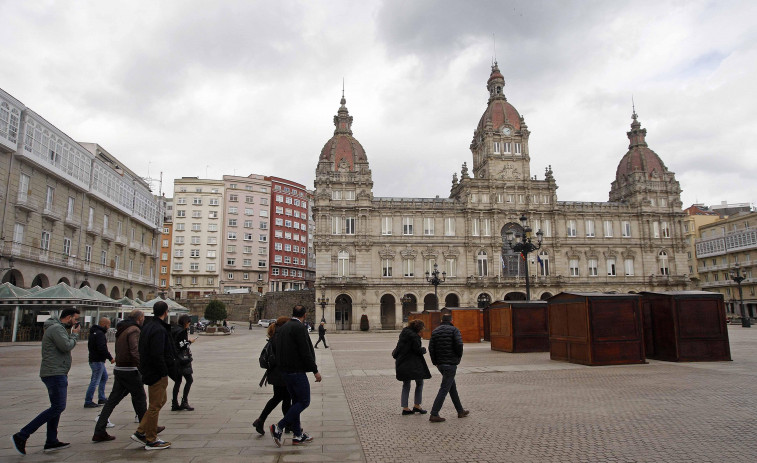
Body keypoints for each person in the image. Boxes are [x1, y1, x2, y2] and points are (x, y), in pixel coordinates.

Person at [12, 308, 81, 455]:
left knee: (56, 407)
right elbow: (66, 346)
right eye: (75, 319)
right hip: (54, 373)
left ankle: (51, 440)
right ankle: (22, 435)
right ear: (68, 318)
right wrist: (74, 335)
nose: (76, 322)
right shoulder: (56, 329)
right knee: (58, 407)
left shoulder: (58, 328)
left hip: (56, 371)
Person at [92, 310, 164, 442]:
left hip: (120, 368)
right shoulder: (134, 330)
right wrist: (142, 366)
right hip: (130, 369)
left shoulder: (122, 328)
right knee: (140, 398)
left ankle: (99, 430)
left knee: (113, 400)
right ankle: (147, 429)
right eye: (143, 318)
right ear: (140, 318)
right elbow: (134, 350)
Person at [270, 305, 322, 447]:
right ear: (304, 315)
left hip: (285, 372)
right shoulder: (299, 328)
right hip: (297, 372)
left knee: (296, 402)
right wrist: (315, 371)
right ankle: (279, 427)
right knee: (304, 401)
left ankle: (298, 435)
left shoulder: (284, 327)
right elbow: (305, 352)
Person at [132, 301, 176, 450]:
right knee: (155, 404)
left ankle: (141, 431)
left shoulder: (147, 326)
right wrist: (164, 371)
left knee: (161, 400)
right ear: (165, 312)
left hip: (149, 369)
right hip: (156, 372)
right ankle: (151, 439)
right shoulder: (158, 329)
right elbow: (158, 354)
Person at [252, 316, 291, 435]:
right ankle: (286, 424)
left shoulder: (276, 335)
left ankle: (263, 420)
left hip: (276, 373)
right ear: (284, 325)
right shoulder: (280, 337)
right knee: (283, 398)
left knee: (282, 398)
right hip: (281, 373)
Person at [428, 314, 469, 422]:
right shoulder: (454, 330)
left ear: (441, 320)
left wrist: (435, 362)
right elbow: (459, 345)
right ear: (451, 320)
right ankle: (434, 413)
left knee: (452, 388)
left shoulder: (435, 331)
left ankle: (460, 411)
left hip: (441, 364)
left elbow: (431, 348)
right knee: (444, 388)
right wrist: (457, 358)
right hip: (450, 364)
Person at [394, 319, 431, 415]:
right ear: (418, 328)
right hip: (414, 364)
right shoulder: (415, 336)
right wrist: (423, 350)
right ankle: (417, 405)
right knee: (419, 383)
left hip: (402, 362)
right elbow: (417, 350)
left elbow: (399, 348)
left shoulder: (404, 333)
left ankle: (405, 407)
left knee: (406, 385)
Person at [85, 317, 114, 408]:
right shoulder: (100, 334)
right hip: (97, 361)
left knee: (104, 377)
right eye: (108, 325)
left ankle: (101, 397)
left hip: (95, 360)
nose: (109, 327)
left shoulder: (94, 332)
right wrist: (110, 358)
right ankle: (88, 400)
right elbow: (102, 348)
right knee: (95, 380)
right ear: (104, 324)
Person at [171, 314, 196, 411]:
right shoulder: (182, 331)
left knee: (178, 381)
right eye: (189, 323)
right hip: (182, 359)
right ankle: (184, 401)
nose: (189, 325)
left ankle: (174, 403)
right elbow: (182, 345)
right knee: (189, 380)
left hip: (175, 359)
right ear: (186, 322)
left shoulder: (174, 329)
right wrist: (190, 342)